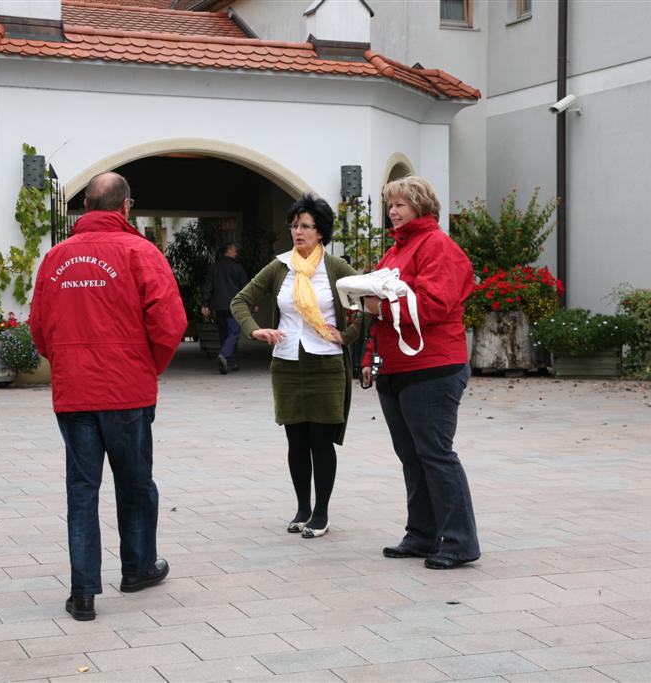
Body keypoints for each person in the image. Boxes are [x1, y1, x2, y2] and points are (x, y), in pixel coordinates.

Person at [29, 172, 187, 621]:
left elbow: (39, 327)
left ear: (84, 206)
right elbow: (170, 321)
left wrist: (67, 362)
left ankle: (83, 593)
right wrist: (145, 365)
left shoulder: (56, 257)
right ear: (125, 207)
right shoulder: (141, 253)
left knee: (82, 490)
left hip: (75, 392)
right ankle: (137, 568)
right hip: (126, 390)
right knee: (135, 483)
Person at [360, 175, 480, 570]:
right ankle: (422, 534)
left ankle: (460, 542)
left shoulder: (438, 246)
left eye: (400, 205)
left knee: (435, 454)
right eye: (389, 205)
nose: (392, 212)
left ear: (421, 206)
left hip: (433, 366)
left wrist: (377, 309)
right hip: (396, 365)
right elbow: (378, 309)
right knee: (412, 456)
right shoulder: (396, 251)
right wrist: (369, 355)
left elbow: (433, 304)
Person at [231, 194, 360, 538]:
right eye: (294, 225)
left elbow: (370, 302)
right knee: (296, 440)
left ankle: (321, 513)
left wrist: (347, 335)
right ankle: (303, 507)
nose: (297, 231)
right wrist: (254, 329)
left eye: (305, 226)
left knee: (321, 440)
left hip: (326, 365)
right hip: (287, 363)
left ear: (321, 232)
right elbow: (240, 300)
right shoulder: (279, 266)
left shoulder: (335, 269)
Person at [201, 242, 248, 374]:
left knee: (224, 334)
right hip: (234, 306)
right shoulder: (237, 268)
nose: (236, 253)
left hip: (219, 306)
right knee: (234, 333)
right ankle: (223, 354)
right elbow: (246, 287)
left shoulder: (214, 268)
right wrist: (252, 302)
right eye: (234, 251)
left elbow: (208, 287)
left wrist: (205, 303)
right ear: (228, 252)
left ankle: (230, 363)